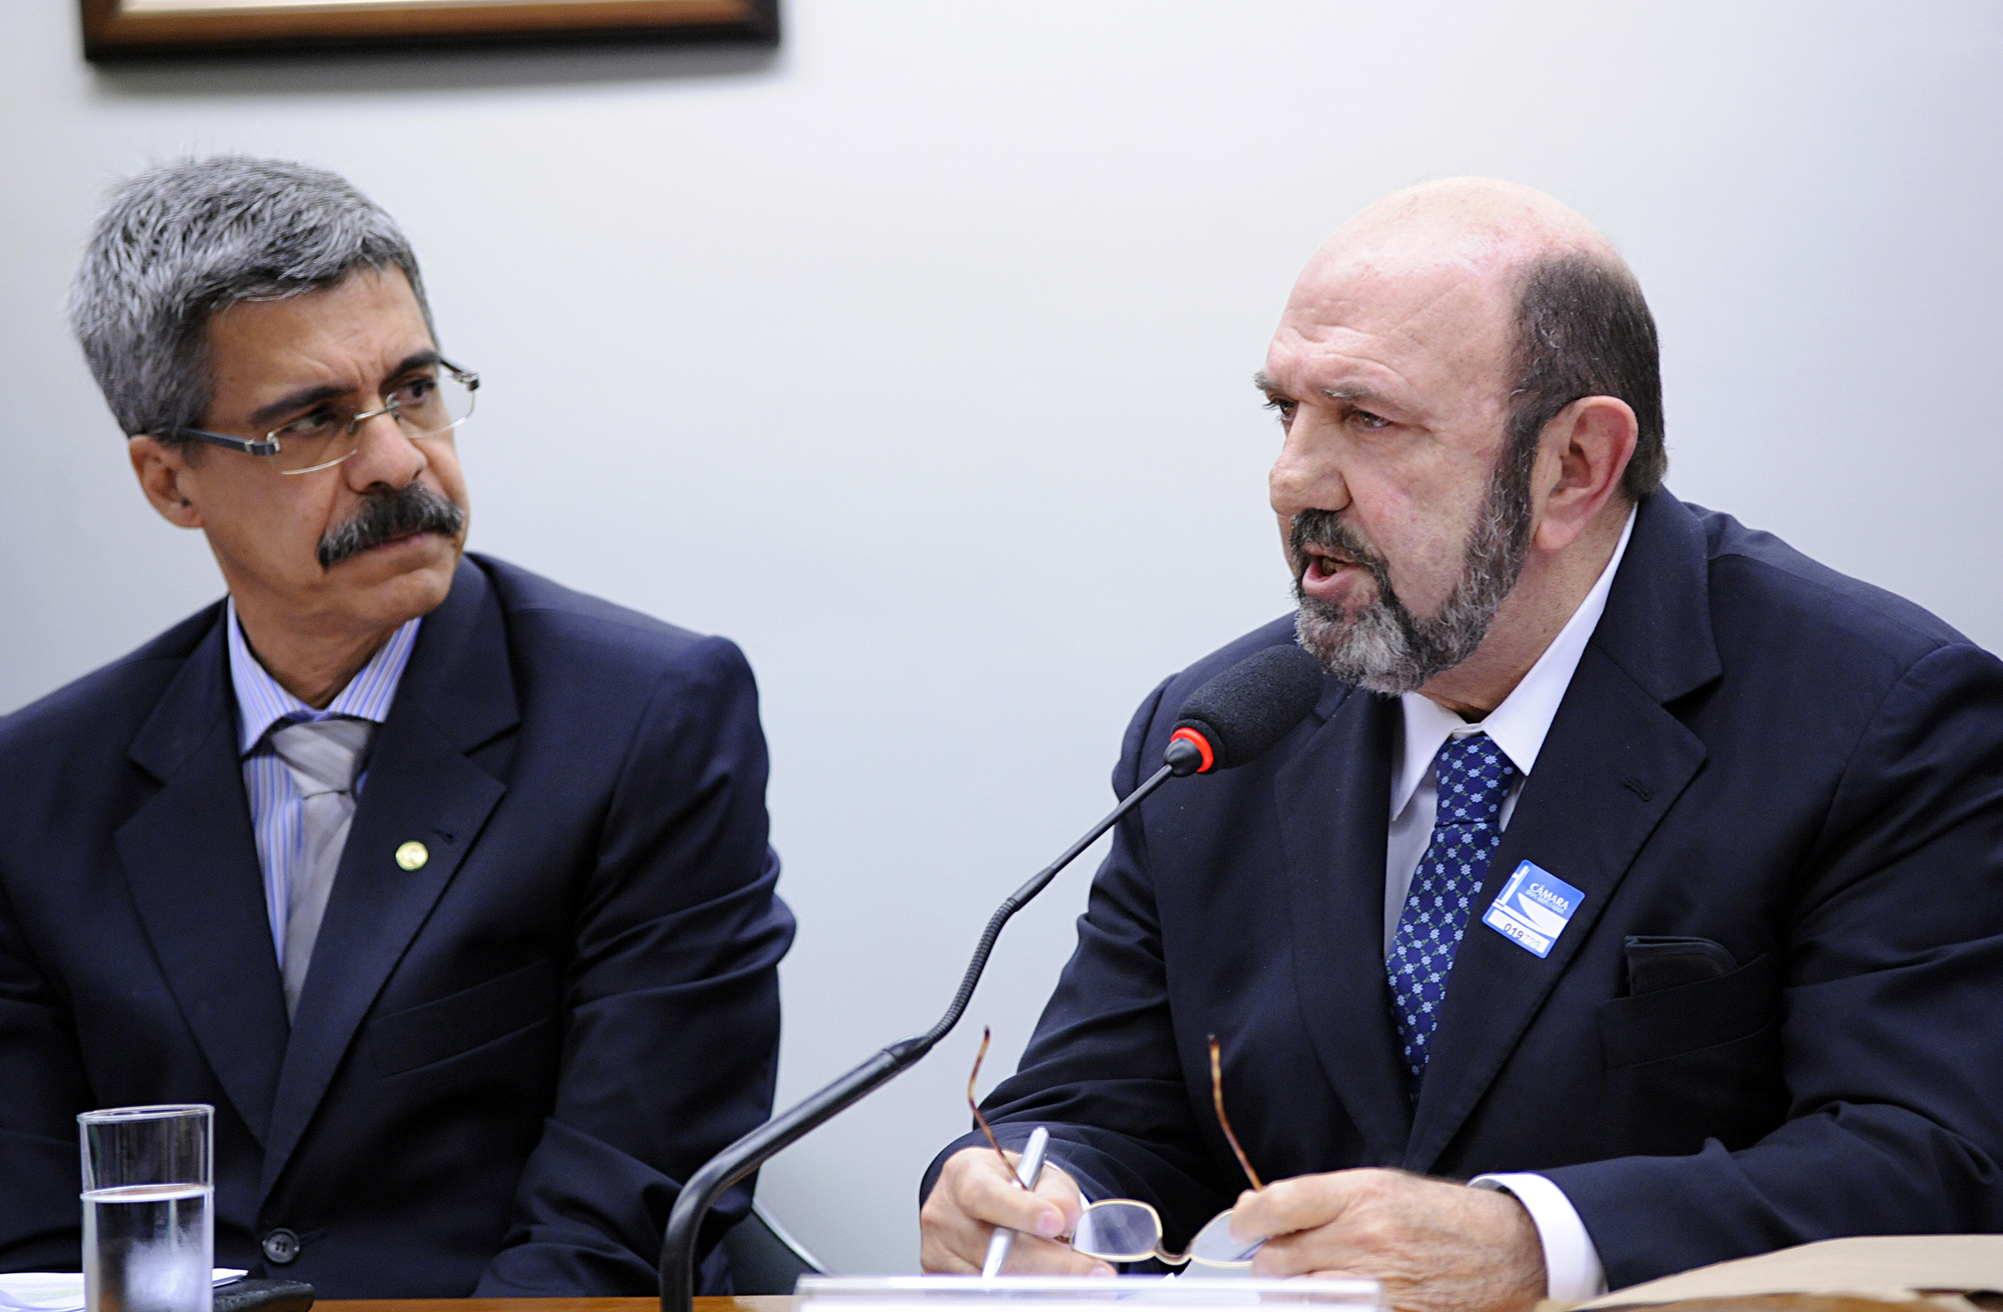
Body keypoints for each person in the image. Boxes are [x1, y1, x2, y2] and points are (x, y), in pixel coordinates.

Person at [918, 178, 2003, 1310]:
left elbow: (1936, 1157)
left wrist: (1538, 1242)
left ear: (1573, 465)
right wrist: (1030, 1199)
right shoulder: (1211, 739)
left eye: (1367, 420)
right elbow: (1101, 1112)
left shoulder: (1878, 717)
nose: (1292, 479)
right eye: (1284, 412)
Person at [0, 156, 796, 1297]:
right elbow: (30, 1246)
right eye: (314, 421)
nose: (396, 460)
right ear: (170, 481)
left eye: (414, 389)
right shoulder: (34, 792)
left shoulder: (642, 723)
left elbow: (618, 1216)